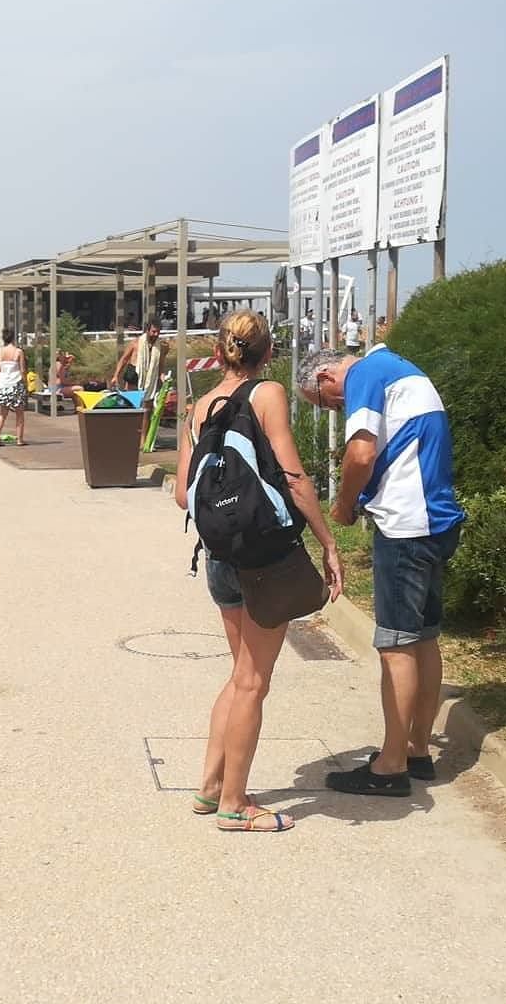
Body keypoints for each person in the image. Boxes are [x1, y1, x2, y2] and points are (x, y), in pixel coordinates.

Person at [176, 312, 343, 832]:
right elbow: (293, 478)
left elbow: (183, 494)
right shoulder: (266, 394)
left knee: (240, 677)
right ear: (266, 353)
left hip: (221, 556)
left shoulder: (196, 410)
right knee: (253, 683)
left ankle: (209, 788)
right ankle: (235, 804)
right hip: (264, 558)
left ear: (221, 351)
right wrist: (329, 543)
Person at [299, 343, 465, 797]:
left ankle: (389, 766)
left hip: (404, 525)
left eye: (326, 402)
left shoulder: (366, 375)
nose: (336, 407)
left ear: (326, 377)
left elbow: (361, 453)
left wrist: (344, 504)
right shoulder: (400, 368)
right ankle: (416, 750)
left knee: (395, 645)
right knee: (424, 637)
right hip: (436, 520)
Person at [0, 329, 29, 446]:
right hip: (16, 384)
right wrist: (25, 384)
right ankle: (19, 439)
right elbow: (22, 370)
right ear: (13, 338)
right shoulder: (18, 352)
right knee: (20, 413)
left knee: (2, 413)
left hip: (3, 384)